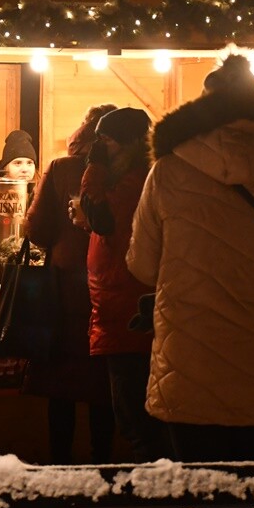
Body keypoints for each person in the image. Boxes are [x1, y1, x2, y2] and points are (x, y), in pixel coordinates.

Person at [126, 54, 254, 462]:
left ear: (203, 109)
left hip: (189, 365)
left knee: (199, 488)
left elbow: (142, 267)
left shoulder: (167, 170)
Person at [23, 104, 117, 464]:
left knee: (61, 383)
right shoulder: (132, 169)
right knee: (103, 383)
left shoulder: (62, 168)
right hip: (111, 285)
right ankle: (103, 460)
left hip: (65, 290)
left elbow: (38, 230)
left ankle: (59, 460)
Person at [75, 106, 169, 463]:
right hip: (119, 306)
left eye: (106, 140)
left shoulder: (135, 179)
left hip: (126, 309)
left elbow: (102, 215)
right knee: (133, 415)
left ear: (127, 143)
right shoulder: (133, 177)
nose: (101, 147)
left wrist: (93, 168)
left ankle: (153, 485)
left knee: (136, 419)